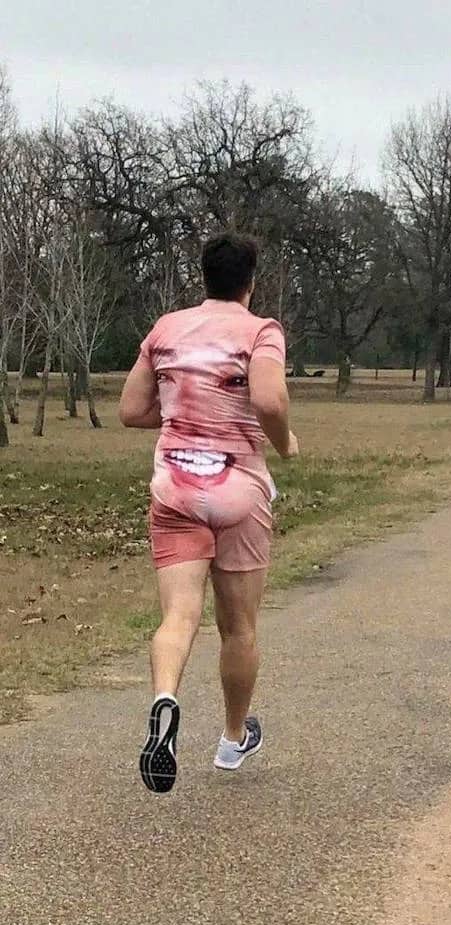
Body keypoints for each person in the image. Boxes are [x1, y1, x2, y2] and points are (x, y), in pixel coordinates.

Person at [119, 233, 299, 792]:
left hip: (175, 486)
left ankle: (165, 700)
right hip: (237, 489)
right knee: (239, 626)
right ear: (250, 281)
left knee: (178, 618)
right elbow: (268, 400)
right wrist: (286, 442)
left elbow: (130, 410)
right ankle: (230, 739)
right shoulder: (260, 331)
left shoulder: (166, 329)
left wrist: (179, 419)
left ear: (204, 277)